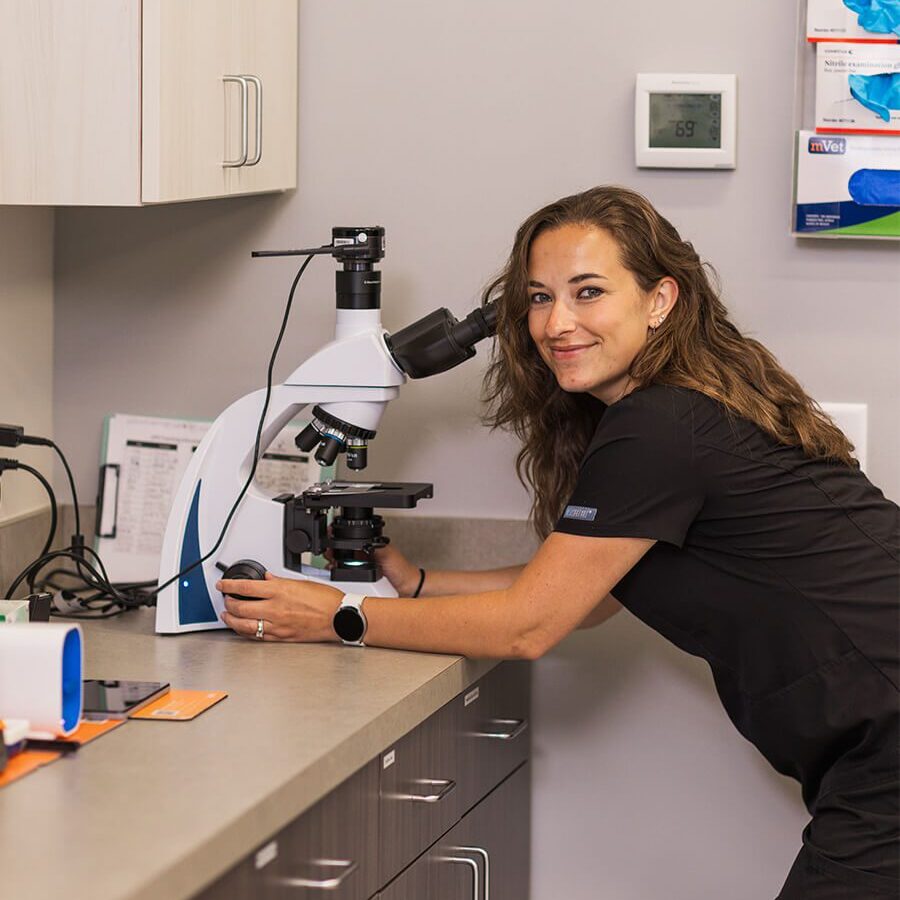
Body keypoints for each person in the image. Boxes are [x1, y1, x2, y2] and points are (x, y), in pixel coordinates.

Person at [218, 186, 899, 898]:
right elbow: (589, 593)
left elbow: (529, 626)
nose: (557, 323)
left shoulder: (658, 426)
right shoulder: (688, 402)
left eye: (588, 292)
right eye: (540, 298)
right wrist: (419, 584)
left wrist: (335, 618)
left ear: (661, 299)